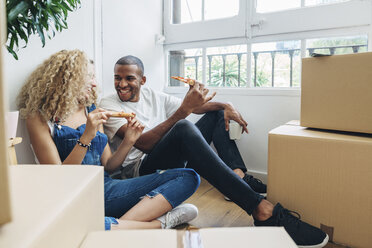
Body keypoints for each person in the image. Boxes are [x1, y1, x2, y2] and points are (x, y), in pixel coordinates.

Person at [99, 55, 329, 247]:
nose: (122, 84)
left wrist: (225, 106)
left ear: (142, 80)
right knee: (182, 127)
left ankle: (237, 176)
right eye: (117, 78)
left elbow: (197, 108)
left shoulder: (153, 96)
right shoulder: (108, 104)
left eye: (129, 78)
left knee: (216, 115)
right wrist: (184, 111)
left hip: (166, 156)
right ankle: (261, 209)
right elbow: (144, 144)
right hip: (141, 169)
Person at [17, 50, 200, 231]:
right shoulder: (39, 117)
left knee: (188, 176)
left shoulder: (90, 108)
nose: (95, 84)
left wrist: (129, 140)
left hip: (107, 189)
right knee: (76, 221)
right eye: (89, 77)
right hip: (73, 196)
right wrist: (87, 136)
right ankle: (156, 224)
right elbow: (60, 178)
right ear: (68, 79)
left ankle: (113, 227)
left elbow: (110, 165)